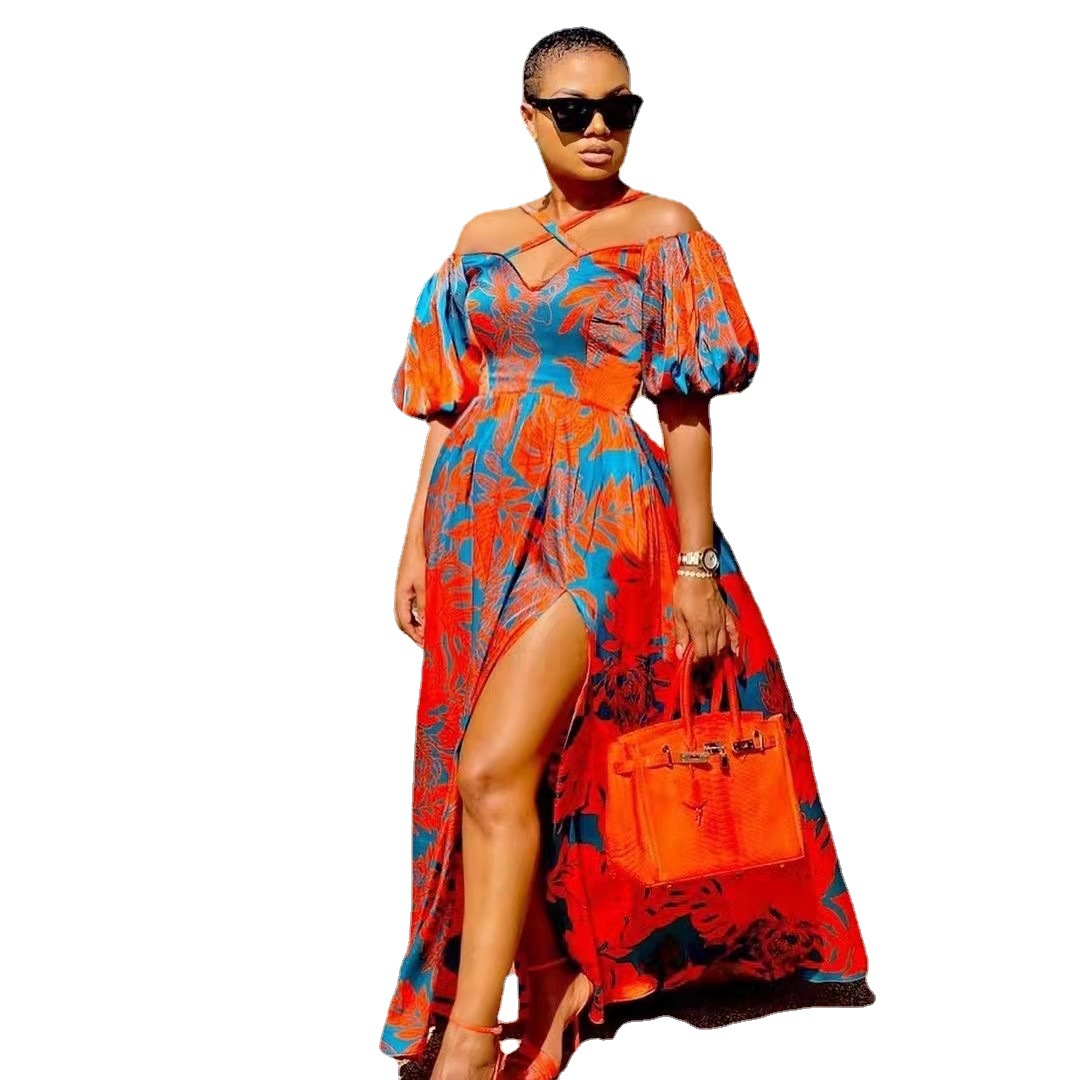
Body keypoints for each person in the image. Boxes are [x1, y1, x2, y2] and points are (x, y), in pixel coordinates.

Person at [381, 26, 873, 1080]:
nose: (599, 126)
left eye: (619, 107)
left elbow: (687, 409)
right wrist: (415, 541)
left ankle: (468, 1044)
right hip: (477, 521)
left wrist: (696, 569)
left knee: (492, 763)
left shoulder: (665, 230)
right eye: (573, 110)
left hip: (602, 520)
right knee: (496, 775)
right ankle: (548, 983)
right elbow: (448, 402)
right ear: (529, 118)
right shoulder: (479, 238)